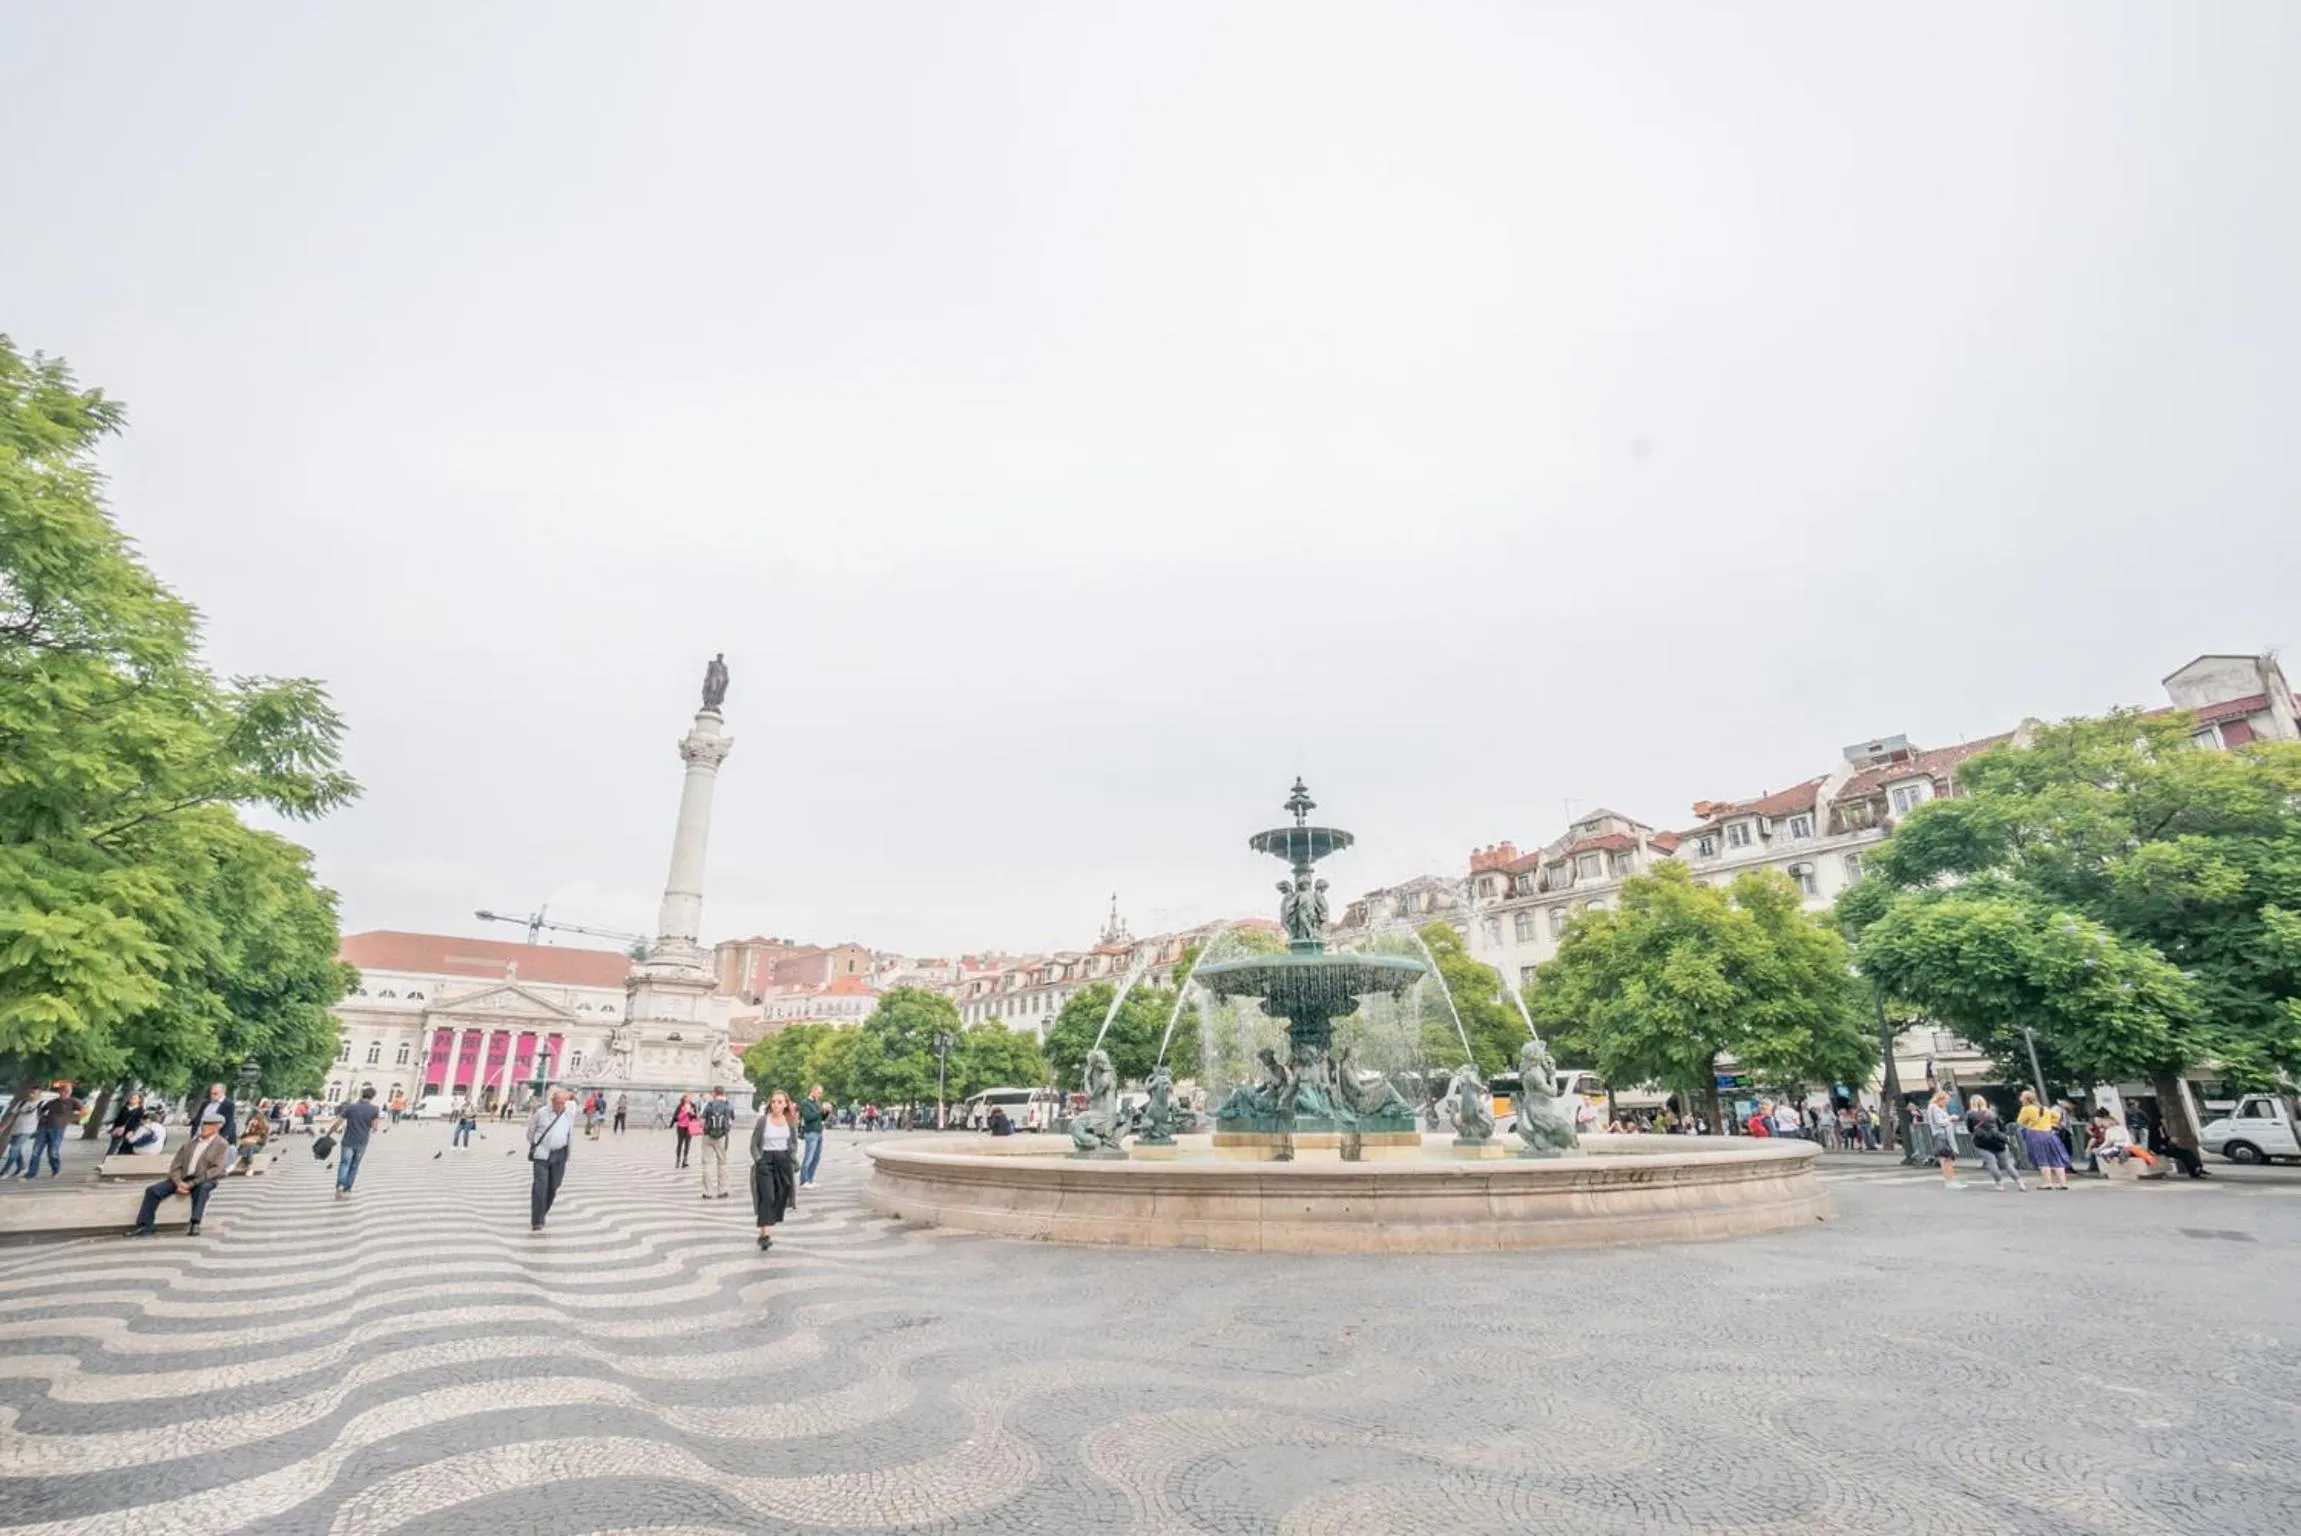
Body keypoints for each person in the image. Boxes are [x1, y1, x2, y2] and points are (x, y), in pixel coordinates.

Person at [125, 1117, 232, 1238]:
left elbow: (216, 1170)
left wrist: (192, 1184)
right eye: (204, 1124)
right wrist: (178, 1182)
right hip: (183, 1178)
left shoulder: (221, 1144)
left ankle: (195, 1223)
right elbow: (175, 1166)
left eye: (209, 1125)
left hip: (204, 1178)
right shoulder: (190, 1143)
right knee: (153, 1190)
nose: (204, 1127)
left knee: (202, 1189)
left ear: (218, 1127)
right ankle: (145, 1225)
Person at [750, 1089, 801, 1249]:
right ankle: (765, 1235)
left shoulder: (790, 1122)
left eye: (780, 1102)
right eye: (773, 1102)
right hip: (766, 1160)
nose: (776, 1105)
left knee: (780, 1195)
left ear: (786, 1104)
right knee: (768, 1196)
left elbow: (793, 1143)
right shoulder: (763, 1121)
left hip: (783, 1161)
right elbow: (753, 1143)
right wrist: (759, 1160)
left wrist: (793, 1159)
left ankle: (763, 1231)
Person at [526, 1088, 575, 1231]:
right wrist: (537, 1145)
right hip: (542, 1154)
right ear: (552, 1101)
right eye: (557, 1103)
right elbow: (530, 1132)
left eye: (562, 1103)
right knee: (540, 1187)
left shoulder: (569, 1113)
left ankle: (542, 1212)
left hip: (560, 1154)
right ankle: (537, 1220)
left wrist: (566, 1154)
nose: (559, 1106)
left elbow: (569, 1134)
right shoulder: (541, 1113)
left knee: (553, 1186)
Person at [325, 1086, 383, 1199]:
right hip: (362, 1141)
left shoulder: (350, 1107)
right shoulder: (374, 1109)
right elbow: (375, 1128)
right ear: (372, 1097)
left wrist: (329, 1133)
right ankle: (347, 1188)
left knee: (344, 1163)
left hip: (348, 1140)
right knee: (354, 1166)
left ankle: (340, 1185)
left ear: (362, 1094)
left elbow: (338, 1123)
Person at [25, 1083, 83, 1179]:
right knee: (36, 1151)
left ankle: (56, 1169)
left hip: (57, 1129)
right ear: (59, 1091)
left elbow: (85, 1111)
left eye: (67, 1091)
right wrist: (41, 1117)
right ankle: (31, 1174)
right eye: (62, 1090)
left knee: (52, 1152)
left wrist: (72, 1118)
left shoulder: (74, 1102)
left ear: (70, 1092)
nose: (64, 1092)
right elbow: (41, 1111)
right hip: (44, 1128)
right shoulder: (52, 1102)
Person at [2016, 1088, 2071, 1190]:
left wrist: (2030, 1123)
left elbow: (2020, 1121)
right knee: (2055, 1157)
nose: (2020, 1099)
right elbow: (2057, 1116)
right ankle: (2063, 1183)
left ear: (2026, 1099)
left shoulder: (2026, 1109)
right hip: (2050, 1134)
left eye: (2021, 1097)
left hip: (2036, 1134)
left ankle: (2047, 1183)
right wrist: (2050, 1123)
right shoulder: (2044, 1109)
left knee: (2042, 1158)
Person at [1966, 1099, 2026, 1191]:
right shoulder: (1992, 1114)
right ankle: (2020, 1184)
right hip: (1997, 1140)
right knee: (2007, 1164)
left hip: (1981, 1142)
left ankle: (2000, 1185)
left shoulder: (1970, 1114)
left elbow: (1970, 1129)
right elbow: (2001, 1127)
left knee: (1992, 1163)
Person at [698, 1086, 735, 1199]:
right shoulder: (728, 1105)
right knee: (722, 1163)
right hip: (722, 1137)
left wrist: (705, 1129)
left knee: (707, 1163)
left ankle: (707, 1191)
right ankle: (722, 1190)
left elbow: (702, 1121)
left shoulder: (709, 1105)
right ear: (723, 1093)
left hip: (708, 1136)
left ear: (714, 1093)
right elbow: (731, 1120)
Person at [1923, 1092, 1966, 1188]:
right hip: (1942, 1134)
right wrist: (1950, 1118)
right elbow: (1939, 1122)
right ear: (1940, 1099)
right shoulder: (1934, 1108)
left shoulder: (1934, 1107)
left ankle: (1949, 1181)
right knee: (1947, 1158)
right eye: (1945, 1101)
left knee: (1945, 1159)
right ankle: (1950, 1180)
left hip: (1940, 1134)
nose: (1946, 1103)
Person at [3, 1087, 48, 1177]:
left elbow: (46, 1117)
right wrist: (4, 1126)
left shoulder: (42, 1104)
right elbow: (12, 1115)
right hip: (16, 1129)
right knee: (16, 1149)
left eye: (34, 1092)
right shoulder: (22, 1103)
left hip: (28, 1130)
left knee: (13, 1149)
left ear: (39, 1094)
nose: (31, 1094)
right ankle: (22, 1167)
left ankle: (5, 1171)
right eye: (30, 1092)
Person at [798, 1085, 828, 1189]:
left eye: (821, 1093)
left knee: (816, 1157)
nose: (820, 1095)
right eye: (819, 1092)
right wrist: (820, 1111)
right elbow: (807, 1117)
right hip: (810, 1132)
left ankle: (810, 1179)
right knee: (809, 1156)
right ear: (813, 1091)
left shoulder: (817, 1102)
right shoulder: (806, 1103)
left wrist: (826, 1112)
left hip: (819, 1132)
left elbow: (821, 1118)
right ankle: (803, 1180)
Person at [192, 1083, 238, 1147]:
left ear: (223, 1093)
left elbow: (228, 1124)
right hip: (198, 1136)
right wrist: (192, 1130)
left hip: (213, 1139)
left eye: (215, 1093)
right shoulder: (205, 1103)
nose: (212, 1095)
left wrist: (220, 1140)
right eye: (211, 1093)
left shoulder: (229, 1105)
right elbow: (198, 1119)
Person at [106, 1092, 149, 1156]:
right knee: (112, 1148)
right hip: (118, 1130)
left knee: (123, 1150)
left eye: (134, 1098)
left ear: (139, 1100)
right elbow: (118, 1119)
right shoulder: (124, 1108)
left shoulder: (140, 1110)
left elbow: (139, 1123)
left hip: (129, 1132)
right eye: (131, 1098)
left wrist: (133, 1131)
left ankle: (116, 1163)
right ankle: (106, 1163)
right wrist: (114, 1128)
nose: (132, 1099)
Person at [235, 1104, 271, 1171]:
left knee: (250, 1146)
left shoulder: (264, 1128)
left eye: (255, 1119)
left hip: (257, 1146)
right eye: (252, 1119)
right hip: (244, 1146)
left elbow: (263, 1142)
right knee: (248, 1147)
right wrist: (245, 1136)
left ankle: (245, 1165)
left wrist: (253, 1140)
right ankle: (248, 1166)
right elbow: (241, 1138)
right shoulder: (249, 1127)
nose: (253, 1120)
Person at [672, 1093, 698, 1169]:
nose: (690, 1099)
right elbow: (676, 1118)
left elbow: (695, 1116)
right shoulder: (680, 1106)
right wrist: (685, 1112)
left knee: (687, 1143)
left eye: (691, 1097)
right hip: (681, 1127)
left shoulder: (693, 1105)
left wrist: (693, 1113)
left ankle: (685, 1161)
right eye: (688, 1097)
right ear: (684, 1098)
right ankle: (678, 1160)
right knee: (680, 1143)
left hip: (690, 1127)